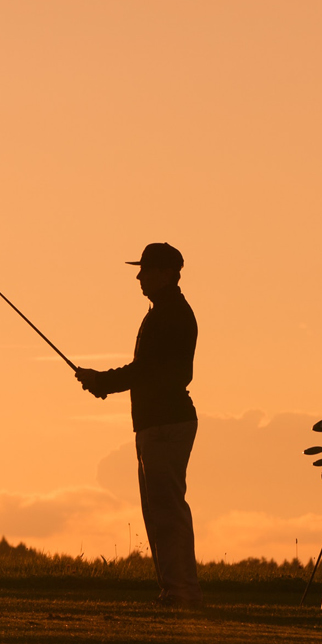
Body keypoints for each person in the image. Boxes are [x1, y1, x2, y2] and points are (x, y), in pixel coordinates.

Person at [76, 243, 200, 607]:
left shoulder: (170, 315)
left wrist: (102, 382)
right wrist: (102, 383)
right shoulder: (163, 312)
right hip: (156, 423)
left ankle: (181, 591)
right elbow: (146, 372)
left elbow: (146, 371)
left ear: (165, 274)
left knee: (167, 511)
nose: (138, 276)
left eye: (145, 269)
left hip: (165, 423)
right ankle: (174, 590)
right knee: (159, 511)